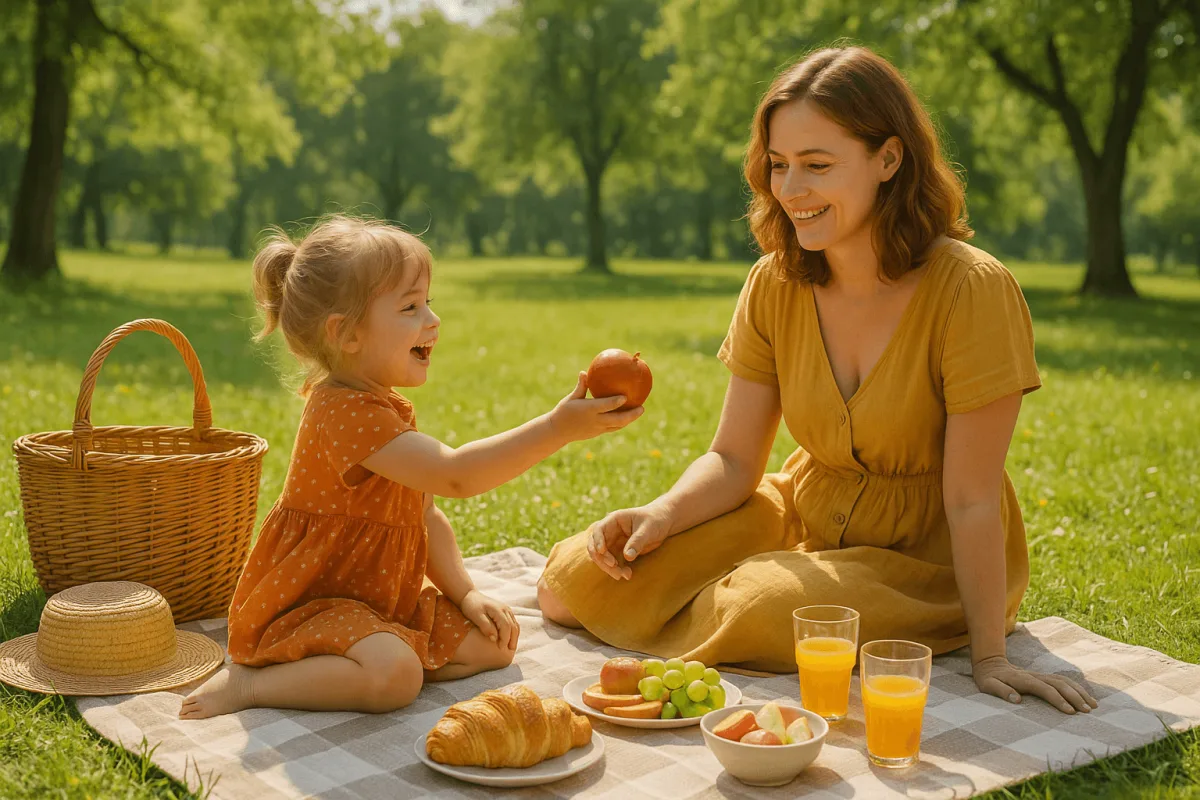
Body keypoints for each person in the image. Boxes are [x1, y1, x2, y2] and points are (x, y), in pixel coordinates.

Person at [537, 47, 1097, 715]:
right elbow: (734, 458)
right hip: (805, 508)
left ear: (889, 159)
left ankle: (722, 599)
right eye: (779, 164)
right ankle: (712, 594)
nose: (790, 189)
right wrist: (664, 514)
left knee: (764, 603)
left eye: (817, 165)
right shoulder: (775, 280)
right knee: (572, 583)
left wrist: (990, 657)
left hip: (929, 557)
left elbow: (972, 499)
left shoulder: (972, 289)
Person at [180, 216, 642, 719]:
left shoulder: (388, 406)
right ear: (346, 333)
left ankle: (375, 662)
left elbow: (424, 515)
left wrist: (467, 594)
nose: (433, 319)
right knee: (397, 678)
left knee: (494, 645)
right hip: (318, 603)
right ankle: (253, 684)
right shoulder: (342, 412)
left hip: (380, 598)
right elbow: (456, 475)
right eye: (410, 307)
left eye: (428, 301)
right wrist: (556, 428)